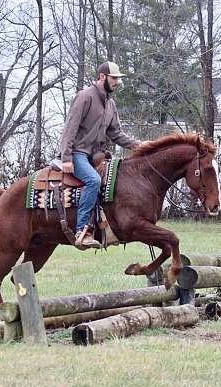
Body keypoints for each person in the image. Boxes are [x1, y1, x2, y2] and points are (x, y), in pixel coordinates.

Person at [60, 61, 141, 249]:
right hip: (78, 153)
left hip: (97, 155)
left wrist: (140, 146)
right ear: (102, 76)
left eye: (118, 79)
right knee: (94, 181)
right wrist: (66, 158)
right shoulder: (85, 97)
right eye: (114, 79)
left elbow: (117, 134)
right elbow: (70, 128)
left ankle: (105, 228)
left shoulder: (110, 104)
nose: (117, 83)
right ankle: (81, 231)